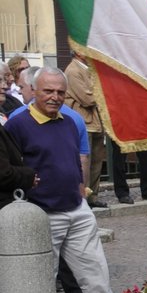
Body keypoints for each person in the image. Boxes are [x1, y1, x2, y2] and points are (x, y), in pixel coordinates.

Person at [4, 67, 146, 293]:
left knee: (96, 270)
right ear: (34, 90)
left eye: (60, 92)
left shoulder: (69, 121)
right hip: (42, 211)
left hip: (75, 207)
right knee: (45, 279)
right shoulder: (17, 125)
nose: (55, 97)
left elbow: (78, 157)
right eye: (48, 91)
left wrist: (82, 190)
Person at [62, 54, 108, 207]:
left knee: (96, 162)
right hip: (83, 122)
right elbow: (87, 98)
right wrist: (103, 93)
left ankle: (92, 197)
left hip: (95, 122)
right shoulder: (73, 71)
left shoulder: (90, 69)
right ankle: (82, 197)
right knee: (84, 162)